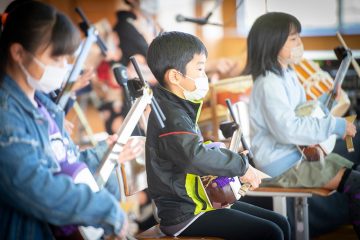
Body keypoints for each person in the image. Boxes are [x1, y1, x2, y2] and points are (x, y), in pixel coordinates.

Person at [0, 1, 144, 239]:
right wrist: (106, 211)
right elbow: (38, 187)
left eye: (66, 60)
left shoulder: (42, 106)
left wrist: (103, 152)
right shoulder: (6, 115)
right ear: (18, 53)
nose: (63, 68)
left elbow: (64, 162)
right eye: (56, 60)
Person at [144, 31, 290, 240]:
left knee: (280, 223)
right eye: (200, 68)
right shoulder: (171, 116)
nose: (204, 76)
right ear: (175, 76)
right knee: (271, 232)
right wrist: (243, 167)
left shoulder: (175, 107)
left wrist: (218, 147)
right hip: (183, 214)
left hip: (197, 204)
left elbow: (187, 150)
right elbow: (193, 156)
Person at [244, 12, 360, 237]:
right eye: (294, 39)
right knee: (356, 183)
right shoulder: (269, 84)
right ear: (273, 43)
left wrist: (326, 102)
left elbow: (301, 111)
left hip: (295, 157)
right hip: (284, 166)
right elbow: (289, 128)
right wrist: (335, 125)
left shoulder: (286, 74)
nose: (300, 44)